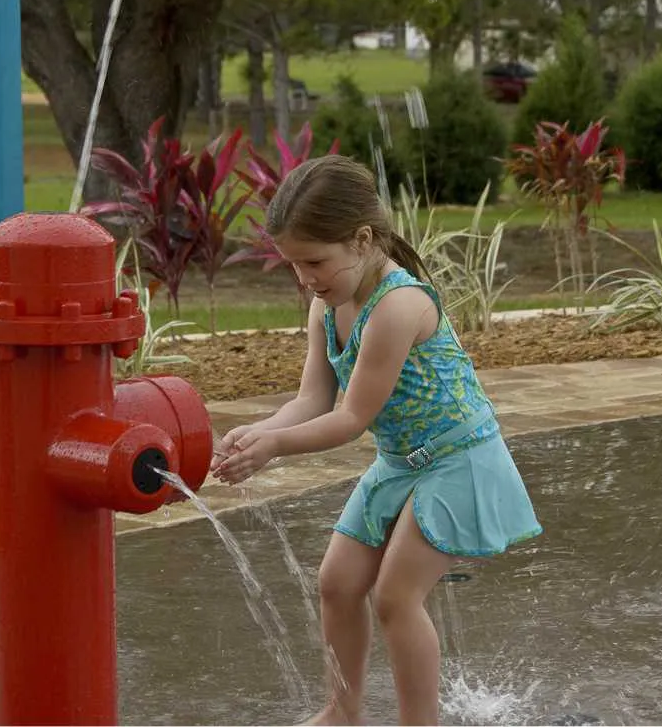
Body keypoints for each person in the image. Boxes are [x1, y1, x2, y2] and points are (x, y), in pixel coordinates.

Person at [211, 155, 542, 726]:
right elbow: (312, 400)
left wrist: (275, 450)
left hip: (459, 459)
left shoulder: (397, 305)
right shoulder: (326, 304)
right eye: (294, 265)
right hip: (402, 462)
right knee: (337, 583)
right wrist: (258, 432)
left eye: (315, 261)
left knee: (394, 597)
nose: (306, 278)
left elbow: (352, 417)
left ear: (362, 240)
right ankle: (344, 711)